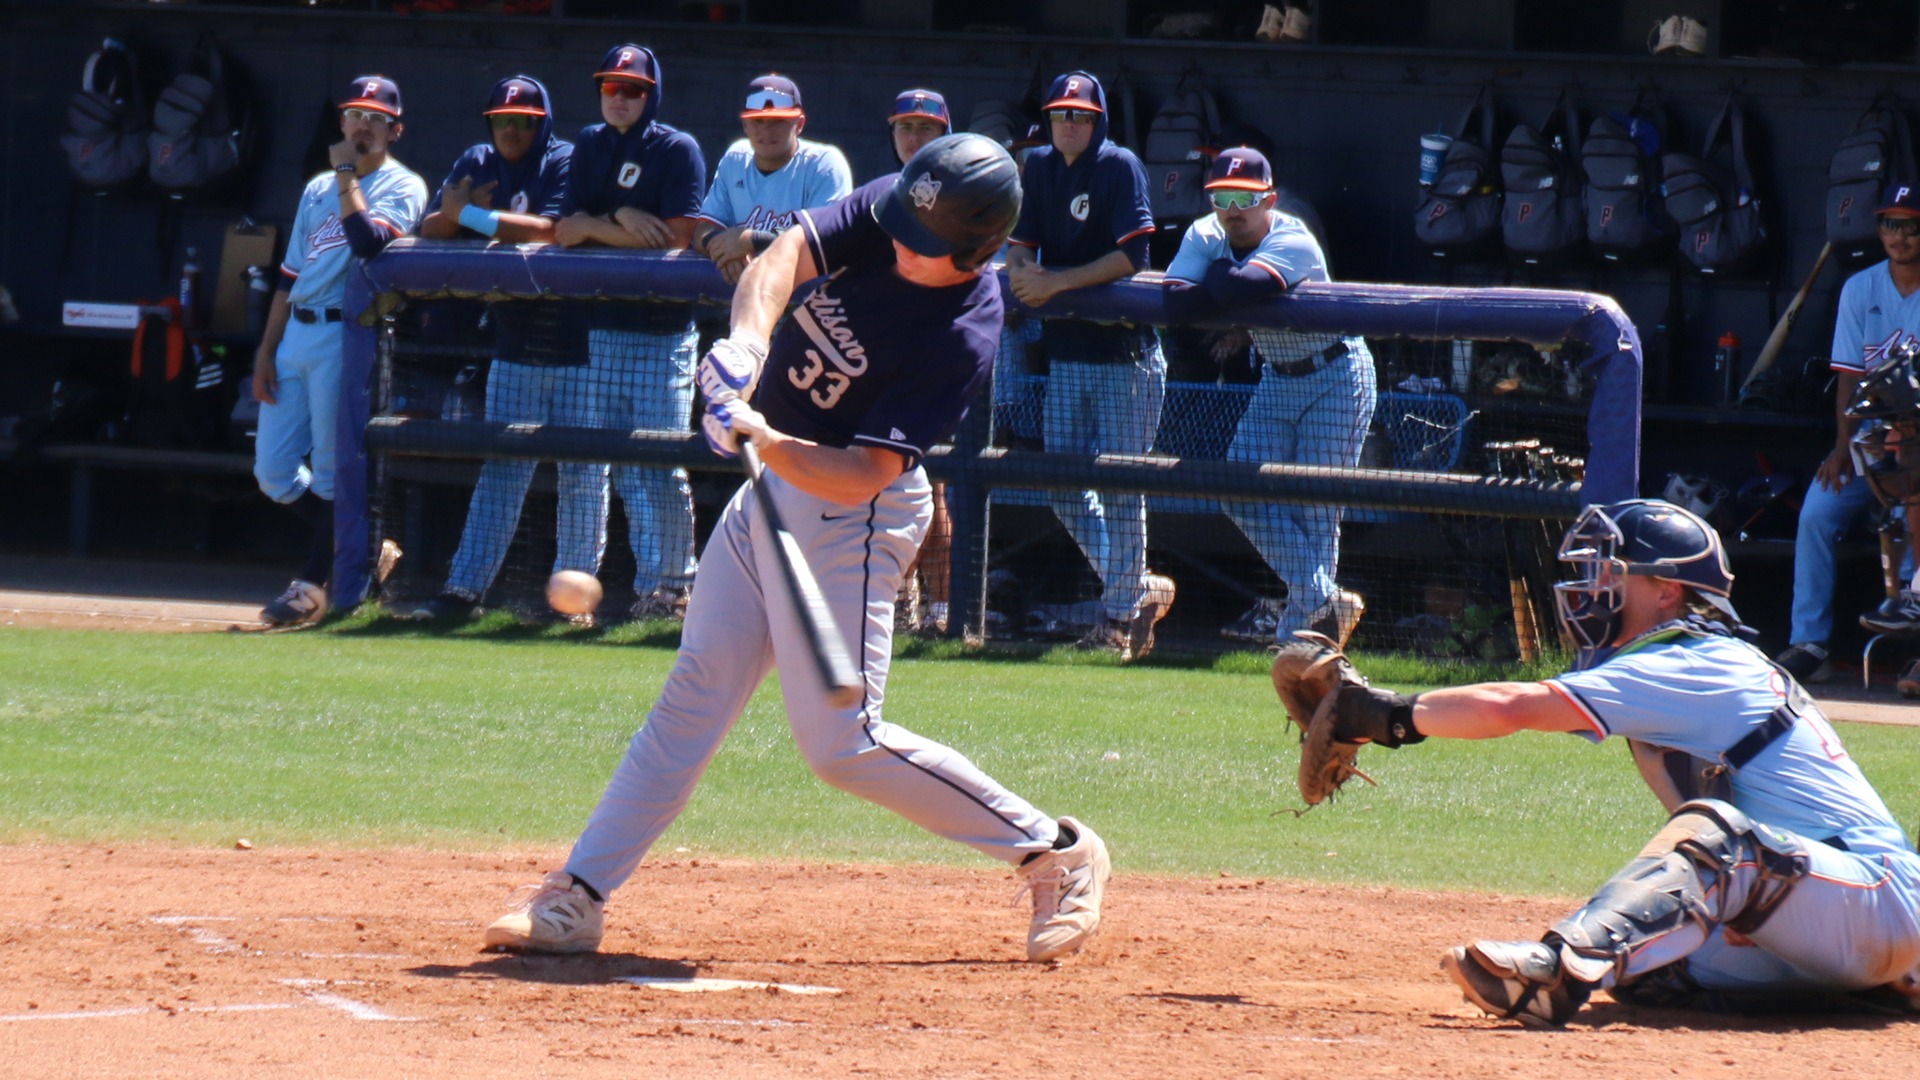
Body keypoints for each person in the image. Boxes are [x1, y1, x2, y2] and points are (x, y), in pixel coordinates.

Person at [481, 134, 1111, 964]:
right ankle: (579, 895)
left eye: (919, 246)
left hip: (855, 520)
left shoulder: (963, 330)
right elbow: (782, 256)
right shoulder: (901, 205)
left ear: (974, 249)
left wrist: (765, 438)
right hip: (773, 494)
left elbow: (863, 473)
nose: (895, 244)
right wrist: (746, 345)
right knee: (692, 697)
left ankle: (1055, 851)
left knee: (843, 745)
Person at [1301, 498, 1920, 1027]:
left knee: (1714, 839)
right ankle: (1875, 987)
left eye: (1613, 574)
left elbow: (1512, 706)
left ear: (1667, 590)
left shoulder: (1697, 662)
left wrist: (1383, 716)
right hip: (1816, 911)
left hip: (1873, 895)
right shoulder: (1668, 667)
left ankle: (1555, 972)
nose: (1591, 589)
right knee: (1654, 959)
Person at [403, 76, 599, 623]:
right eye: (502, 120)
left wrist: (470, 214)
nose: (511, 130)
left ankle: (573, 603)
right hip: (514, 340)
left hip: (580, 343)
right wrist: (461, 215)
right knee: (503, 470)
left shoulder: (564, 159)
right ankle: (463, 592)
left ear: (542, 124)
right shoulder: (477, 156)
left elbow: (549, 230)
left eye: (523, 121)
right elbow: (431, 226)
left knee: (583, 474)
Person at [1163, 148, 1375, 649]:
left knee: (1315, 508)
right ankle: (1324, 601)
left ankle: (1298, 635)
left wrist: (1218, 282)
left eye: (1245, 199)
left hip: (1335, 371)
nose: (1233, 210)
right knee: (1237, 485)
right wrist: (1225, 286)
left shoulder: (1292, 236)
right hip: (1278, 377)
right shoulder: (1206, 232)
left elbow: (1242, 286)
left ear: (1269, 200)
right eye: (1222, 198)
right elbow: (1175, 298)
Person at [1006, 70, 1175, 661]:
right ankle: (1131, 589)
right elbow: (1020, 242)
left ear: (1097, 119)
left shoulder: (1118, 164)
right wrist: (1024, 270)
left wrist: (1058, 283)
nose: (1068, 124)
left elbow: (1135, 255)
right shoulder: (1042, 168)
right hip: (1070, 353)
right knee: (1061, 485)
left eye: (1079, 115)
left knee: (1122, 490)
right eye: (1059, 115)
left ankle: (1120, 618)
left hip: (1124, 354)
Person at [250, 75, 427, 628]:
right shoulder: (317, 187)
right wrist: (265, 350)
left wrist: (348, 172)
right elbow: (289, 273)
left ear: (395, 130)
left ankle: (310, 587)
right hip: (297, 330)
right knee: (274, 473)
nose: (362, 125)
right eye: (355, 115)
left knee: (330, 473)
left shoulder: (404, 185)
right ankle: (364, 544)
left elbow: (368, 242)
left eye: (376, 118)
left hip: (346, 332)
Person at [555, 43, 707, 622]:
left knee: (657, 465)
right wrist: (616, 218)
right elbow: (566, 231)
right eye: (611, 87)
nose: (619, 98)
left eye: (633, 89)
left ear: (652, 93)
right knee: (584, 466)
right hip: (594, 329)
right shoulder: (589, 143)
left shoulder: (676, 148)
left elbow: (676, 235)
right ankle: (576, 592)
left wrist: (599, 222)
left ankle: (669, 590)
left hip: (660, 330)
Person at [1775, 184, 1920, 682]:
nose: (1899, 236)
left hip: (1918, 446)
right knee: (1817, 512)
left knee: (1913, 514)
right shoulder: (1861, 288)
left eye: (1910, 224)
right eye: (1889, 224)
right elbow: (1850, 377)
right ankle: (1809, 643)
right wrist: (1842, 449)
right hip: (1873, 442)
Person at [884, 88, 954, 635]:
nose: (913, 137)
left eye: (925, 128)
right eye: (905, 127)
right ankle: (901, 598)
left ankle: (943, 608)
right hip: (885, 356)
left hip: (943, 354)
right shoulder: (883, 195)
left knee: (938, 490)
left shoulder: (969, 191)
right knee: (887, 484)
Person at [691, 73, 852, 286]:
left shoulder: (825, 163)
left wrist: (752, 241)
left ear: (799, 123)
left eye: (778, 121)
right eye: (757, 121)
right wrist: (721, 247)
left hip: (812, 302)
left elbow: (829, 239)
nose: (766, 130)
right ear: (745, 126)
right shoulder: (735, 159)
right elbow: (703, 229)